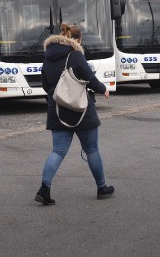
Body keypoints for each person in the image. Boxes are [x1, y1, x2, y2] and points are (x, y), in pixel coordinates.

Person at [35, 23, 113, 205]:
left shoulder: (48, 57)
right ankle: (102, 188)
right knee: (92, 149)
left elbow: (45, 84)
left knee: (58, 150)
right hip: (81, 108)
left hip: (57, 108)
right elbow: (90, 78)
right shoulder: (75, 55)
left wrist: (57, 98)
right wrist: (103, 89)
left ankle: (44, 189)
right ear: (77, 40)